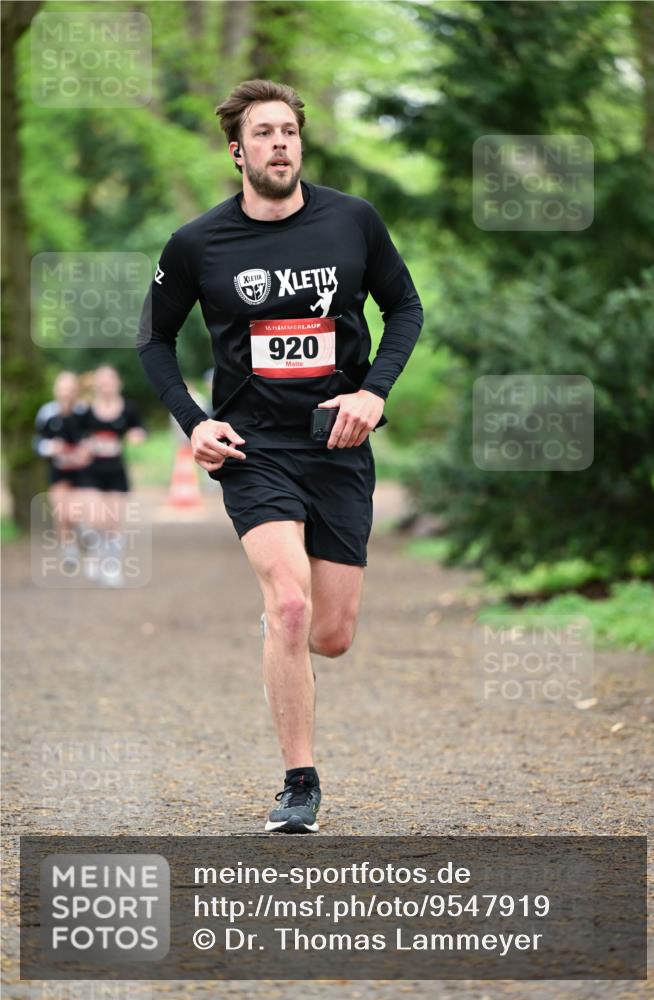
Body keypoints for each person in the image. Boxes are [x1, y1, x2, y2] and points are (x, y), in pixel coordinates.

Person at [138, 78, 423, 833]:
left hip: (337, 440)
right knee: (291, 603)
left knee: (330, 633)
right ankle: (299, 783)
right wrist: (192, 422)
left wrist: (375, 393)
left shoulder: (352, 222)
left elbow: (405, 308)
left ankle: (283, 630)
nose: (279, 144)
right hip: (251, 445)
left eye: (289, 131)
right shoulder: (198, 243)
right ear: (238, 151)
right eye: (263, 133)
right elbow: (154, 339)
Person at [83, 365, 146, 586]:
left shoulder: (127, 408)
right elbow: (75, 433)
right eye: (102, 382)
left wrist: (136, 434)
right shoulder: (86, 410)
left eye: (109, 381)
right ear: (96, 385)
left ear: (117, 383)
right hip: (91, 471)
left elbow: (138, 428)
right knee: (94, 518)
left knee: (113, 521)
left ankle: (112, 566)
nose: (106, 385)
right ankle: (93, 553)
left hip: (116, 470)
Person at [34, 371, 93, 571]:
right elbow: (38, 442)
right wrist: (50, 448)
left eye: (70, 389)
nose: (66, 394)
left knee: (75, 509)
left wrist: (86, 450)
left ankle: (84, 530)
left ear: (76, 391)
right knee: (61, 511)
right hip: (59, 470)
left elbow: (93, 440)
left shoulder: (84, 413)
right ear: (56, 390)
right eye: (63, 389)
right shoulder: (47, 413)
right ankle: (69, 549)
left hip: (82, 472)